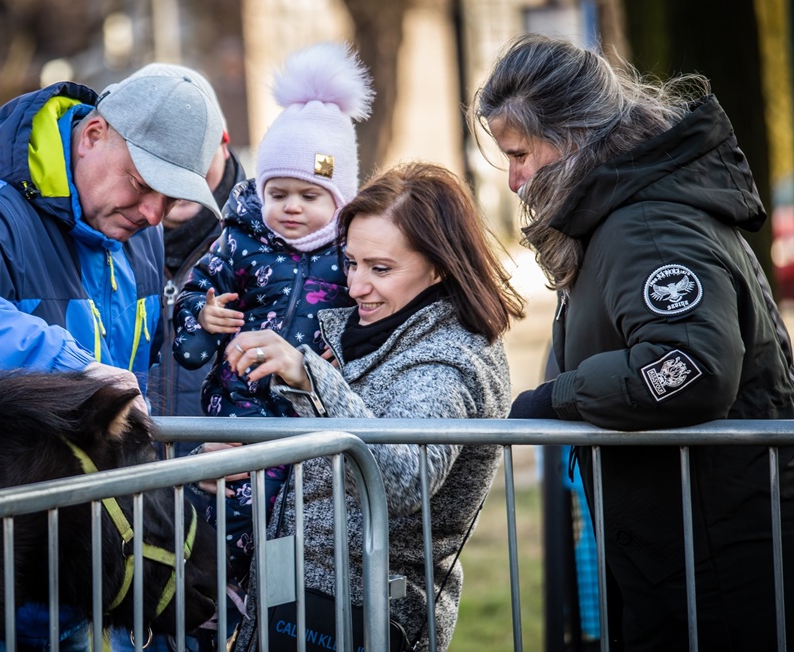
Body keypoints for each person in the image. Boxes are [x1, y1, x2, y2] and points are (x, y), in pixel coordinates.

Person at [0, 68, 224, 650]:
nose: (155, 213)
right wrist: (67, 367)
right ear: (93, 136)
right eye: (142, 182)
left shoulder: (138, 232)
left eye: (172, 196)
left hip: (68, 576)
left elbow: (135, 385)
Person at [473, 33, 794, 651]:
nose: (513, 180)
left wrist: (562, 397)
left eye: (518, 154)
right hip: (685, 556)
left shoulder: (646, 221)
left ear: (569, 135)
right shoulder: (624, 213)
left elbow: (691, 365)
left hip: (717, 569)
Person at [219, 161, 525, 652]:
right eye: (350, 262)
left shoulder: (447, 360)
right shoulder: (375, 333)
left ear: (440, 264)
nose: (357, 285)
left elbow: (402, 478)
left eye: (380, 269)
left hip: (368, 620)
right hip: (301, 608)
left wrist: (310, 376)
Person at [171, 42, 371, 626]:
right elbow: (190, 320)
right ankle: (212, 611)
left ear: (340, 198)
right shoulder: (239, 238)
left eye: (310, 196)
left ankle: (273, 619)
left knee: (287, 546)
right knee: (222, 520)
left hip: (306, 423)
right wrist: (203, 318)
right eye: (278, 192)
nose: (289, 208)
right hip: (235, 419)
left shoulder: (351, 253)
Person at [144, 64, 247, 417]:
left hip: (230, 465)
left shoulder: (267, 241)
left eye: (198, 152)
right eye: (167, 158)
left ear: (224, 145)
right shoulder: (112, 242)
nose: (185, 171)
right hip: (138, 466)